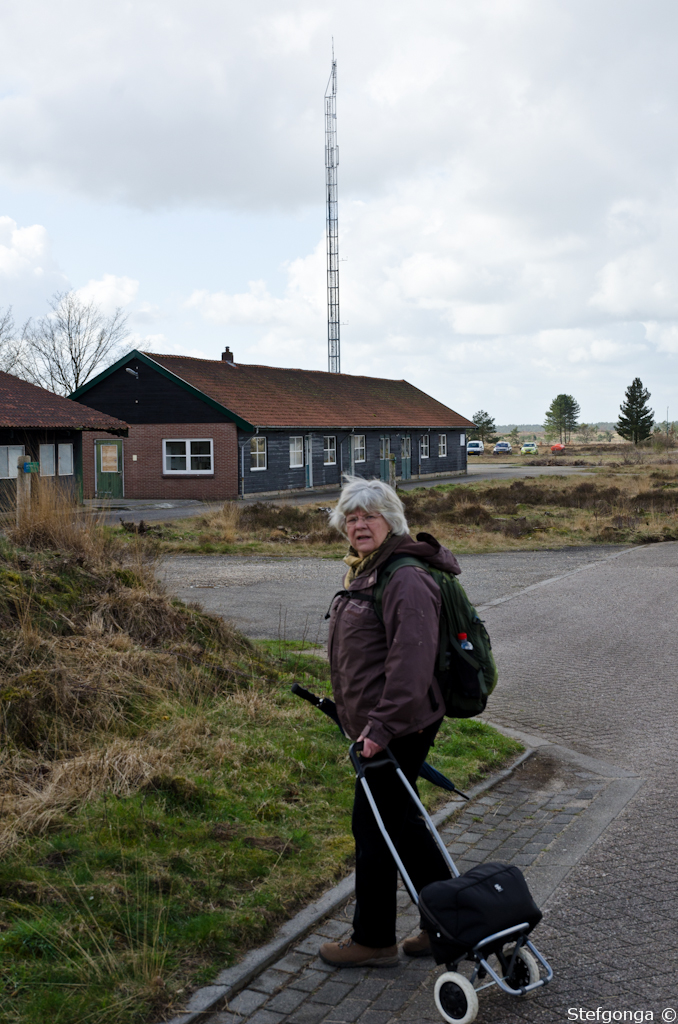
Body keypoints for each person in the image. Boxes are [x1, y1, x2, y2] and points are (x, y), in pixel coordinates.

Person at [319, 476, 462, 968]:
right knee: (403, 826)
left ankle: (374, 939)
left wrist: (378, 729)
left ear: (391, 521)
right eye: (351, 517)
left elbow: (411, 665)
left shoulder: (403, 577)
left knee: (374, 828)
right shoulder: (369, 570)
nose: (359, 525)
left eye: (369, 516)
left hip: (398, 726)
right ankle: (449, 924)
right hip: (381, 724)